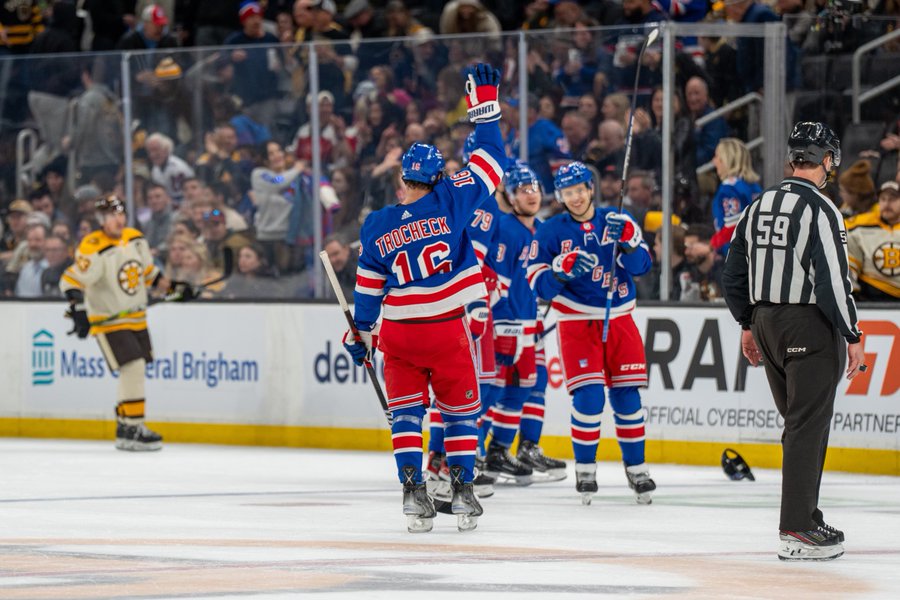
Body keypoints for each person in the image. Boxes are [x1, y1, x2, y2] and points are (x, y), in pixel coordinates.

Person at [341, 63, 506, 533]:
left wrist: (362, 335)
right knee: (459, 414)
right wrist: (485, 108)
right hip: (446, 330)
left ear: (403, 180)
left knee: (407, 416)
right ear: (437, 177)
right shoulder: (452, 197)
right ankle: (464, 494)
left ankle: (413, 495)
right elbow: (491, 159)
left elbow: (368, 292)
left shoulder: (376, 224)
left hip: (398, 336)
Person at [722, 121, 865, 561]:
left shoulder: (758, 204)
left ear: (791, 159)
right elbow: (832, 283)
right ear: (825, 160)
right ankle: (797, 529)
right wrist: (853, 333)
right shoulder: (822, 210)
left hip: (767, 324)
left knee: (800, 424)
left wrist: (748, 323)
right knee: (806, 425)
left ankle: (808, 515)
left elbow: (732, 274)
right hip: (808, 325)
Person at [530, 161, 656, 505]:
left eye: (579, 190)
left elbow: (643, 266)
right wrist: (560, 271)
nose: (575, 197)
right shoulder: (550, 231)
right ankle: (585, 470)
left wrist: (630, 243)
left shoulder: (617, 221)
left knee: (628, 398)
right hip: (577, 322)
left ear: (590, 188)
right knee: (589, 398)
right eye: (567, 192)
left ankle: (638, 469)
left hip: (620, 318)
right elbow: (538, 283)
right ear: (560, 195)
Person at [59, 195, 168, 451]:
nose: (118, 220)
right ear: (101, 220)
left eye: (121, 214)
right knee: (134, 367)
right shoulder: (92, 245)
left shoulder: (135, 238)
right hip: (110, 321)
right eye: (111, 216)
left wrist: (177, 287)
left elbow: (150, 275)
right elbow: (72, 280)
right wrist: (79, 308)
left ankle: (124, 426)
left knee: (133, 370)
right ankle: (133, 426)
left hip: (136, 318)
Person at [487, 163, 566, 482]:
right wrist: (503, 322)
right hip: (507, 325)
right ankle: (482, 455)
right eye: (523, 190)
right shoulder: (506, 229)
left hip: (531, 322)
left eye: (534, 189)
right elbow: (496, 282)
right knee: (496, 391)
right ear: (509, 195)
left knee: (532, 382)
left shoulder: (542, 229)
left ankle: (513, 449)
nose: (531, 195)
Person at [846, 180, 900, 300]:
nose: (887, 203)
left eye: (893, 199)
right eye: (883, 199)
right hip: (870, 296)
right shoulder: (859, 228)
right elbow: (849, 268)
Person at [709, 138, 762, 255]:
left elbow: (733, 227)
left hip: (736, 256)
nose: (714, 161)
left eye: (717, 156)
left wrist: (711, 246)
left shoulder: (729, 188)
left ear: (726, 159)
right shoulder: (754, 186)